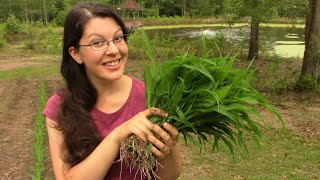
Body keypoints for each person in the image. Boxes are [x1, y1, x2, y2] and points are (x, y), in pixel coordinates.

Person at [42, 2, 182, 180]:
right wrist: (118, 135)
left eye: (118, 38)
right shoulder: (59, 107)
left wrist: (166, 154)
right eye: (97, 42)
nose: (114, 50)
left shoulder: (154, 96)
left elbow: (172, 175)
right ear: (75, 53)